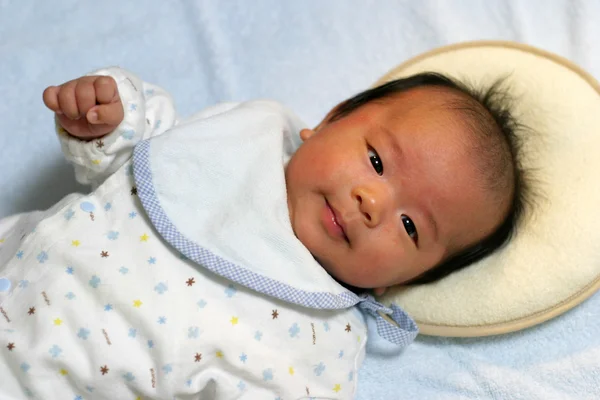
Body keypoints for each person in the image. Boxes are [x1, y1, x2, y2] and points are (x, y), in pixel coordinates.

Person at [0, 66, 523, 399]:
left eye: (410, 227)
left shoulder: (324, 340)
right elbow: (137, 152)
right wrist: (108, 117)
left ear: (401, 281)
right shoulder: (240, 140)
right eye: (376, 160)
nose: (373, 202)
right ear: (330, 120)